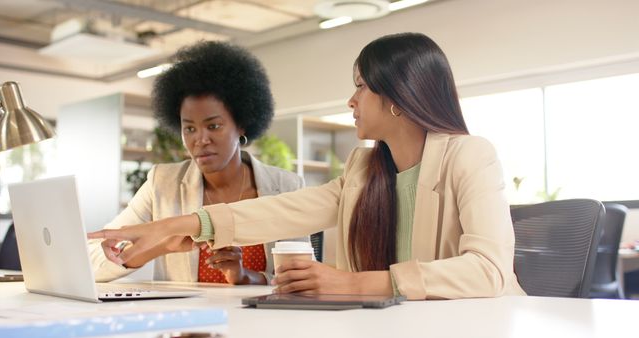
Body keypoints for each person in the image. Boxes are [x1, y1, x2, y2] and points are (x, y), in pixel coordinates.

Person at [89, 32, 526, 300]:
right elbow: (282, 210)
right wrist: (176, 226)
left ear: (398, 97)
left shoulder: (470, 155)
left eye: (361, 87)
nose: (351, 101)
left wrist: (352, 284)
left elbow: (487, 271)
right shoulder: (364, 168)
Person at [88, 40, 309, 285]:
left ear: (241, 124)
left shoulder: (286, 186)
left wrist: (246, 276)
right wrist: (161, 245)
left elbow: (300, 279)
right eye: (189, 128)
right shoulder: (162, 183)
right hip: (187, 322)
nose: (200, 140)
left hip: (262, 321)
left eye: (213, 126)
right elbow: (93, 263)